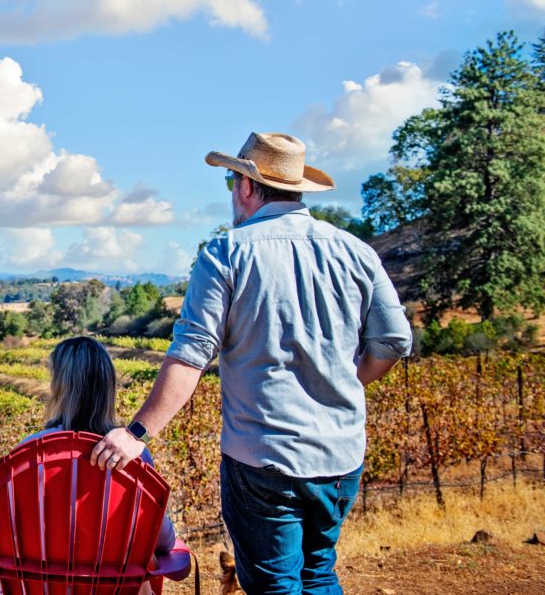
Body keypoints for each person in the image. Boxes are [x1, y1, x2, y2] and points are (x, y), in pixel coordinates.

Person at [90, 132, 414, 594]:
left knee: (274, 585)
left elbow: (191, 354)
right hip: (340, 456)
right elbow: (394, 340)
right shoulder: (355, 251)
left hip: (262, 459)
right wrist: (349, 382)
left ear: (246, 187)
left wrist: (136, 432)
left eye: (230, 182)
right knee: (318, 573)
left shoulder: (227, 253)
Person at [0, 335, 176, 595]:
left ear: (58, 388)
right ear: (109, 388)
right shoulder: (134, 457)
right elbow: (163, 540)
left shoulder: (30, 455)